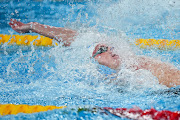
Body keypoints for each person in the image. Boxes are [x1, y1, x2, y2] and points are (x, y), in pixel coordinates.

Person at [9, 19, 180, 88]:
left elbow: (76, 38)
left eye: (108, 47)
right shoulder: (122, 73)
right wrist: (32, 27)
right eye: (101, 50)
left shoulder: (131, 66)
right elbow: (74, 39)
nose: (109, 49)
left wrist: (32, 26)